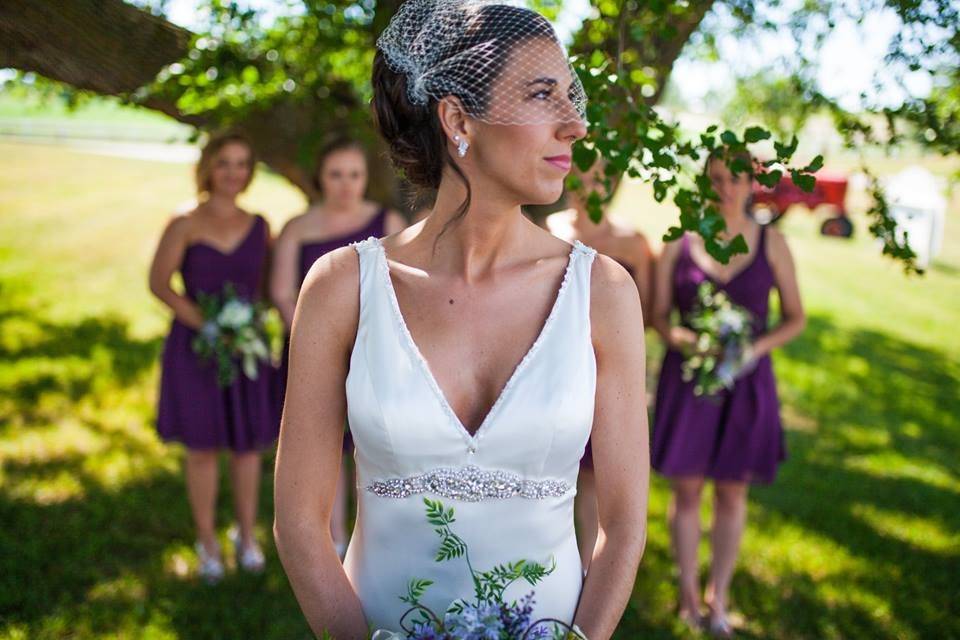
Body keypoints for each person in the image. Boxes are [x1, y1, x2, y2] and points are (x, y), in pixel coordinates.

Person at [273, 2, 649, 638]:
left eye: (571, 95)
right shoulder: (343, 288)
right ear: (457, 119)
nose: (576, 124)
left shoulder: (603, 292)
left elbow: (622, 524)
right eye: (541, 94)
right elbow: (300, 524)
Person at [650, 148, 805, 636]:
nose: (725, 188)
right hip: (689, 379)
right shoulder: (679, 241)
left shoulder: (772, 242)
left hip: (747, 382)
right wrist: (689, 340)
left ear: (750, 184)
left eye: (735, 180)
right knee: (688, 488)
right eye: (715, 178)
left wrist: (754, 350)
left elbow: (796, 318)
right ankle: (689, 597)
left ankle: (720, 596)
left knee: (733, 491)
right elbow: (657, 317)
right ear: (705, 181)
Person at [149, 132, 278, 583]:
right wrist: (205, 323)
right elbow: (159, 282)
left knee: (247, 449)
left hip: (245, 352)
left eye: (242, 163)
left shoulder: (261, 225)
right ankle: (206, 540)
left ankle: (246, 535)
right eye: (224, 163)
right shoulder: (184, 221)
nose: (233, 173)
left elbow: (268, 289)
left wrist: (254, 330)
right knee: (202, 449)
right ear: (208, 167)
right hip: (195, 350)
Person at [270, 137, 404, 557]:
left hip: (374, 353)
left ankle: (374, 537)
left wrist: (365, 346)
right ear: (320, 179)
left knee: (373, 447)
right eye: (335, 175)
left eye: (354, 175)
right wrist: (321, 348)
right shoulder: (298, 227)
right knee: (322, 447)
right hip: (312, 355)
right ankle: (330, 537)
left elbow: (407, 295)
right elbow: (281, 293)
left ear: (366, 178)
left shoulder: (389, 224)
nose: (346, 184)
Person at [545, 164, 654, 572]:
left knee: (597, 478)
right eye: (577, 178)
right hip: (556, 369)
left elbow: (650, 312)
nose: (585, 188)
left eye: (596, 178)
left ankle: (592, 569)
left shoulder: (632, 240)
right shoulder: (547, 230)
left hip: (609, 372)